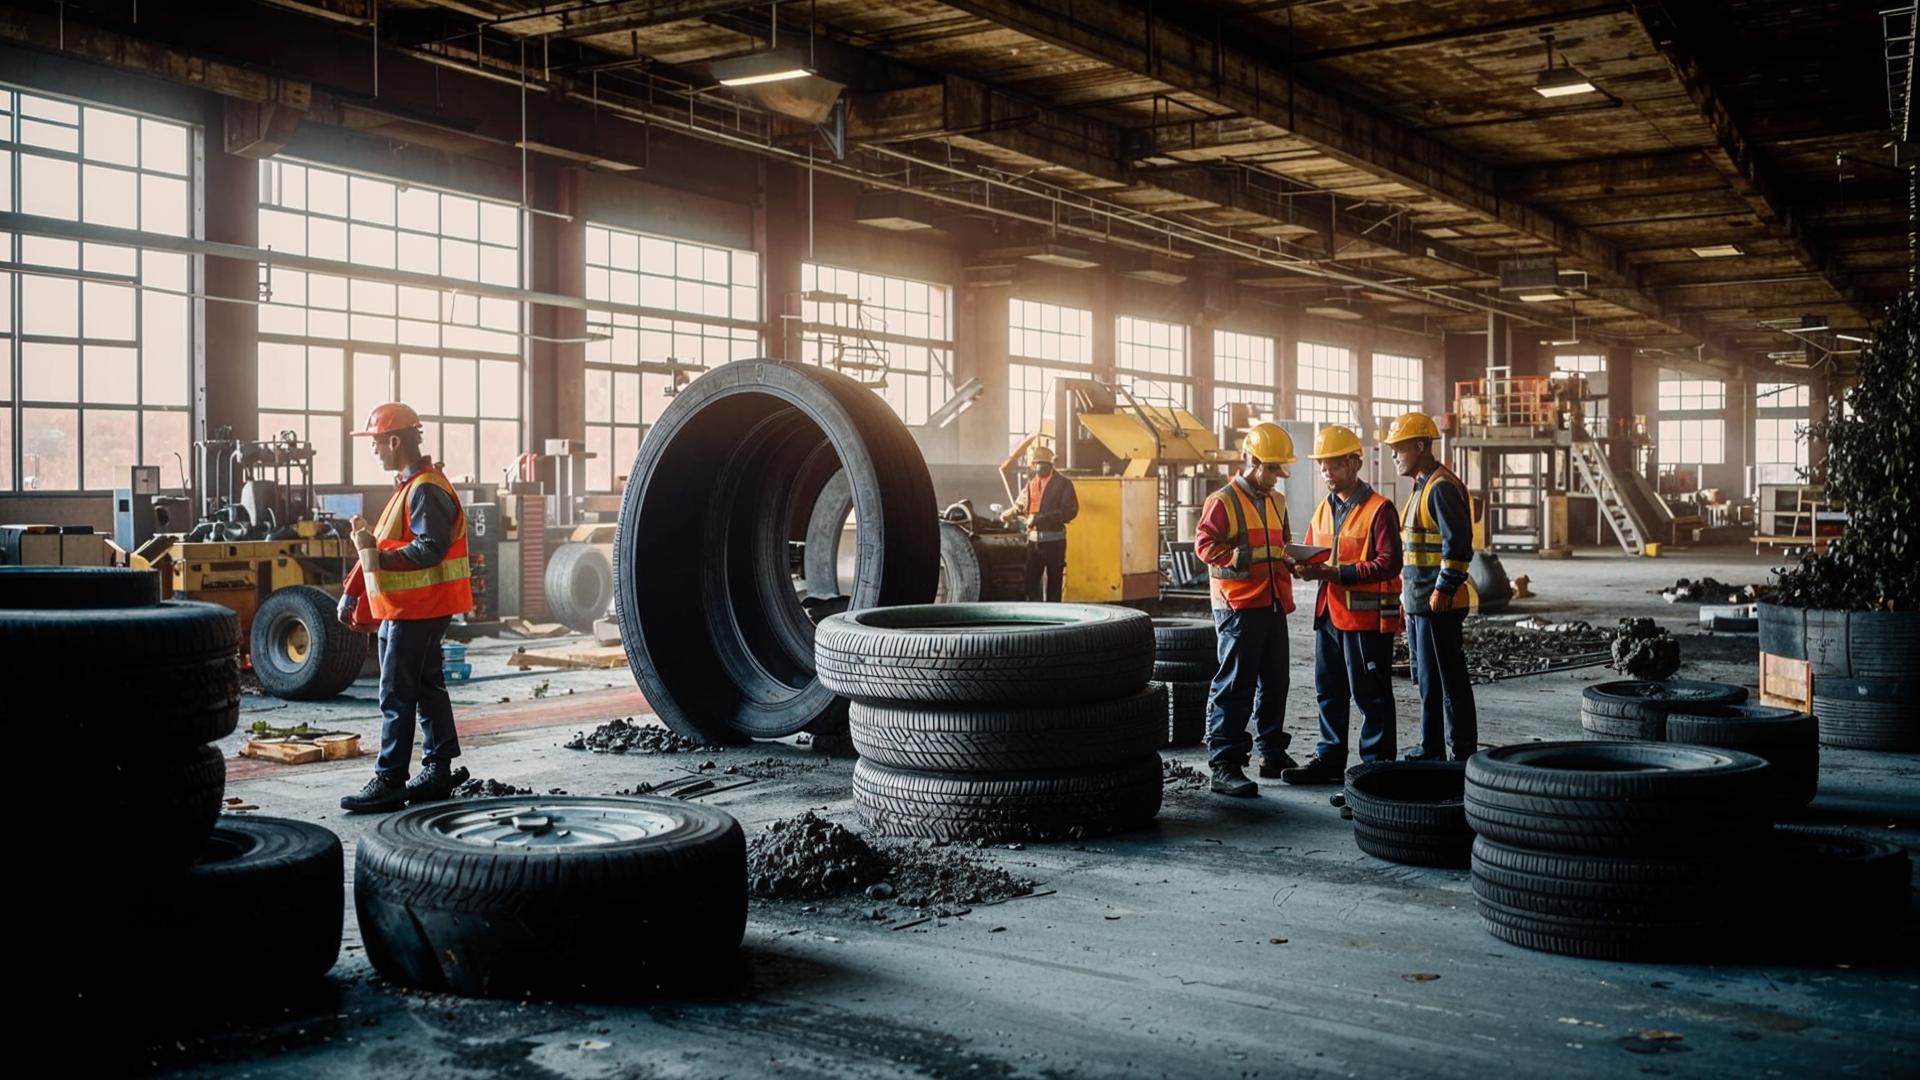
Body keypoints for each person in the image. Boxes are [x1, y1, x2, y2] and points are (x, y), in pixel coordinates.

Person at [338, 402, 475, 813]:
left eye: (377, 443)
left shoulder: (425, 489)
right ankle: (438, 770)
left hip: (415, 609)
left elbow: (428, 549)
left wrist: (379, 560)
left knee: (396, 693)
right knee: (428, 686)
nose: (374, 451)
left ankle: (390, 779)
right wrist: (352, 592)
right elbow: (376, 547)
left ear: (395, 441)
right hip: (411, 607)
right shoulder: (409, 487)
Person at [1282, 425, 1403, 785]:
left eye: (1333, 466)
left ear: (1354, 463)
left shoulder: (1380, 510)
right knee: (1329, 691)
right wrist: (1300, 567)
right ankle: (1330, 759)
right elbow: (1311, 550)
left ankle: (1376, 771)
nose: (1327, 474)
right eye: (1322, 467)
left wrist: (1335, 574)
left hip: (1364, 620)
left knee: (1371, 697)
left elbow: (1389, 563)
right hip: (1328, 616)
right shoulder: (1324, 508)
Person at [1193, 422, 1300, 797]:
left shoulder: (1277, 501)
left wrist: (1294, 561)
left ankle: (1271, 752)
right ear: (1251, 460)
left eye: (1278, 470)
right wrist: (1246, 558)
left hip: (1272, 602)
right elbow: (1205, 549)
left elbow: (1281, 546)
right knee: (1235, 685)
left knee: (1275, 683)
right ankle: (1224, 764)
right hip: (1238, 606)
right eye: (1270, 469)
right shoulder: (1222, 501)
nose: (1275, 477)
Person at [1384, 411, 1478, 762]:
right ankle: (1432, 746)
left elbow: (1459, 547)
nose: (1394, 455)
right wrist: (1408, 600)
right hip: (1422, 602)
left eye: (1400, 448)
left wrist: (1444, 589)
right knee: (1428, 680)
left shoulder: (1439, 488)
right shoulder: (1422, 487)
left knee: (1448, 679)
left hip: (1439, 604)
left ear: (1422, 446)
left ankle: (1461, 751)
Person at [1000, 443, 1079, 602]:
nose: (1038, 467)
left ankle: (1053, 616)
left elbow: (1071, 511)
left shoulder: (1063, 484)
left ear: (1050, 465)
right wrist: (1006, 514)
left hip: (1054, 541)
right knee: (1030, 582)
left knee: (1054, 583)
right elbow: (1020, 505)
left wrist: (1041, 518)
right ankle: (1034, 613)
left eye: (1041, 464)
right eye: (1036, 464)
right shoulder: (1031, 484)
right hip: (1034, 541)